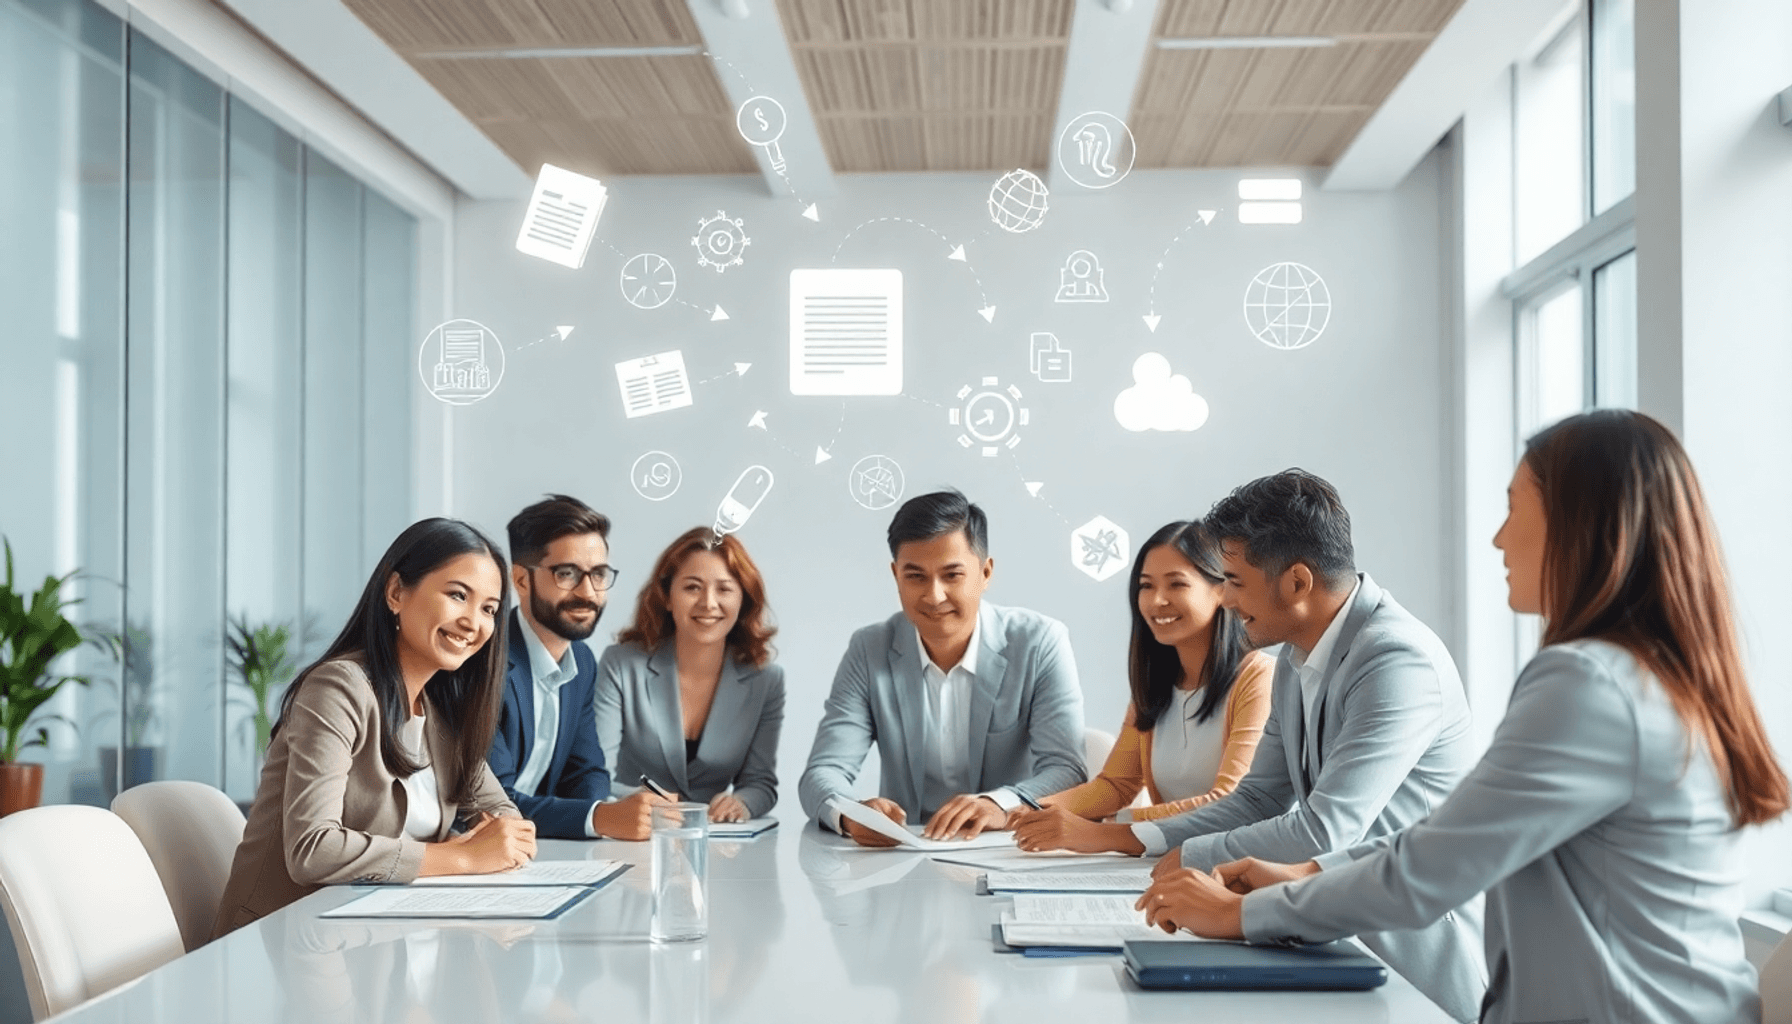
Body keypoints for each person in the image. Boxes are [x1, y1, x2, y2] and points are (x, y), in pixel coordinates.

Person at [1139, 411, 1790, 1024]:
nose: (1498, 537)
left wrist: (1244, 913)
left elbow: (1432, 866)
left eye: (1514, 509)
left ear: (1580, 525)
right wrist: (1302, 877)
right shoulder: (1637, 673)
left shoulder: (1587, 683)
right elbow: (1449, 839)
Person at [1015, 471, 1484, 1020]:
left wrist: (1183, 857)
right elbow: (1255, 798)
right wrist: (1156, 849)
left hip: (1410, 964)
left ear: (1297, 583)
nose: (1227, 598)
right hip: (1325, 938)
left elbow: (1323, 830)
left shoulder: (1394, 660)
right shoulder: (1295, 655)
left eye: (1234, 580)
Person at [214, 518, 537, 939]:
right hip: (282, 943)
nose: (474, 623)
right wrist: (462, 858)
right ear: (396, 592)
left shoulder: (443, 712)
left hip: (377, 935)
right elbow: (312, 850)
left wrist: (493, 844)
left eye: (489, 609)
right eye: (458, 595)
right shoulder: (338, 688)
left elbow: (504, 822)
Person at [798, 489, 1086, 845]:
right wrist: (851, 814)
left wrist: (998, 803)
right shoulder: (869, 649)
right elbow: (822, 772)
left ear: (985, 572)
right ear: (895, 576)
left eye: (952, 576)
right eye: (915, 577)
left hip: (1008, 850)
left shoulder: (1040, 642)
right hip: (906, 857)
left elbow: (1067, 770)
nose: (934, 596)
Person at [1012, 520, 1273, 841]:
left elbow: (1230, 800)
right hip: (1160, 858)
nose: (1156, 600)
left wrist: (1110, 827)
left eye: (1176, 584)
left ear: (1220, 590)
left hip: (1226, 863)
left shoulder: (1258, 678)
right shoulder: (1155, 684)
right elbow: (1116, 785)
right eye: (1146, 586)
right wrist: (1027, 810)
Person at [487, 495, 671, 841]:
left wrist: (620, 812)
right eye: (567, 573)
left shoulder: (582, 661)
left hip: (543, 851)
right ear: (522, 581)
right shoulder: (484, 662)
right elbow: (492, 805)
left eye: (599, 574)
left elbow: (585, 771)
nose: (588, 592)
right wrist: (599, 817)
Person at [594, 526, 786, 823]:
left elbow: (760, 783)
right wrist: (637, 802)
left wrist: (741, 803)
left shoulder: (767, 680)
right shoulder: (621, 664)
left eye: (724, 589)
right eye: (692, 587)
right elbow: (592, 775)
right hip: (635, 837)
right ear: (667, 597)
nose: (708, 603)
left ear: (743, 600)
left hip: (717, 845)